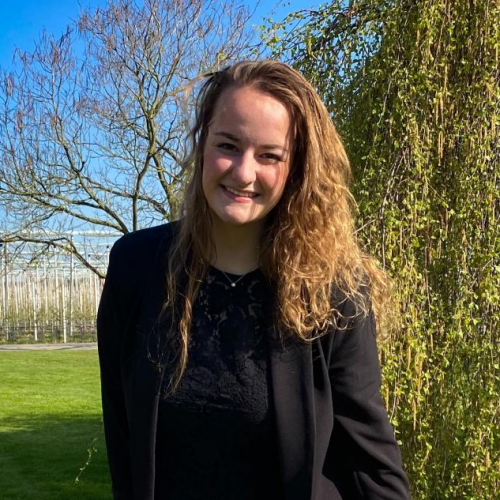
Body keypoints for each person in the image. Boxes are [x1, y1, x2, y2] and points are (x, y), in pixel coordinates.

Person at [97, 60, 411, 500]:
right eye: (228, 145)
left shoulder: (333, 288)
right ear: (202, 144)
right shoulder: (135, 267)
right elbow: (123, 441)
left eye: (269, 155)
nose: (244, 172)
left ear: (296, 168)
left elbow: (370, 460)